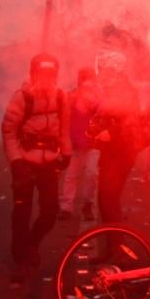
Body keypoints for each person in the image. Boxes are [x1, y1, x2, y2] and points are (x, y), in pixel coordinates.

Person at [3, 53, 71, 283]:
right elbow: (9, 131)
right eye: (42, 73)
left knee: (50, 211)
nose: (46, 78)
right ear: (33, 74)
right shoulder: (22, 97)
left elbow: (64, 128)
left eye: (51, 74)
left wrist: (67, 153)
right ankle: (20, 260)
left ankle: (32, 243)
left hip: (49, 162)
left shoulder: (61, 97)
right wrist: (16, 161)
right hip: (25, 161)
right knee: (21, 213)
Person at [88, 51, 141, 225]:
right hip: (111, 152)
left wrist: (111, 132)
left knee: (109, 198)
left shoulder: (126, 91)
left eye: (104, 70)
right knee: (104, 198)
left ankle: (117, 247)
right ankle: (112, 245)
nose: (101, 74)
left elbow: (133, 121)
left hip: (122, 152)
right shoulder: (111, 90)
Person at [59, 67, 100, 221]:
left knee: (91, 174)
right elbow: (65, 115)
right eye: (84, 78)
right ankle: (66, 207)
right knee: (71, 175)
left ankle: (87, 204)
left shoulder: (98, 96)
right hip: (75, 142)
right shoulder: (72, 95)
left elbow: (101, 111)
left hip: (93, 143)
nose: (86, 82)